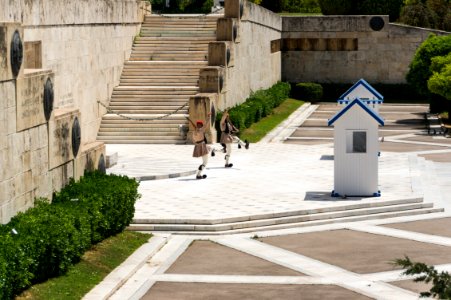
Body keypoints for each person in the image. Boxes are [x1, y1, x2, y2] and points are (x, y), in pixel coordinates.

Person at [186, 113, 211, 179]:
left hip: (198, 146)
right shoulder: (201, 130)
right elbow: (206, 124)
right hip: (202, 145)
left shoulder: (194, 132)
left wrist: (197, 144)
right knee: (205, 162)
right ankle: (199, 173)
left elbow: (194, 141)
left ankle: (199, 173)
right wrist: (208, 117)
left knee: (204, 160)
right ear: (201, 125)